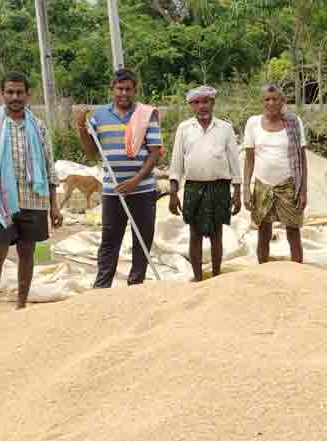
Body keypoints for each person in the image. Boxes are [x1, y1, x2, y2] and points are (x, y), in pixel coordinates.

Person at [0, 73, 62, 325]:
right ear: (1, 94)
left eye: (20, 92)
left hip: (33, 200)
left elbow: (48, 167)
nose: (15, 97)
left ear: (27, 95)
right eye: (9, 92)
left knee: (27, 253)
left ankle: (21, 305)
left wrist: (54, 205)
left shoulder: (39, 126)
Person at [76, 68, 162, 288]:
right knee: (109, 240)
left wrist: (136, 180)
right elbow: (92, 153)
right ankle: (102, 286)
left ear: (135, 90)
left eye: (128, 89)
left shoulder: (146, 115)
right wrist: (81, 128)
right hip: (113, 191)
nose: (124, 93)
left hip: (142, 190)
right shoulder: (99, 116)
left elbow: (154, 153)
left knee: (142, 240)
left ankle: (136, 284)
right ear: (112, 89)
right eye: (119, 89)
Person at [167, 85, 242, 281]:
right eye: (197, 102)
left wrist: (237, 192)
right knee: (195, 234)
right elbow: (176, 164)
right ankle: (198, 279)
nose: (202, 106)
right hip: (194, 187)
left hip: (219, 187)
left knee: (217, 233)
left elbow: (234, 161)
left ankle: (217, 276)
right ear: (191, 105)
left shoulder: (225, 128)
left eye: (206, 101)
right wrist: (173, 194)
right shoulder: (184, 128)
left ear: (213, 103)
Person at [244, 85, 308, 265]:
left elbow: (302, 160)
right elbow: (249, 160)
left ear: (283, 101)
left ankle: (298, 272)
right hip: (263, 185)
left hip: (289, 184)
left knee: (293, 232)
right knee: (263, 231)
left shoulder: (294, 123)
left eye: (275, 99)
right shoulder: (253, 123)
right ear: (262, 101)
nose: (271, 103)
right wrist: (246, 190)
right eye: (267, 99)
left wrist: (303, 190)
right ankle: (263, 271)